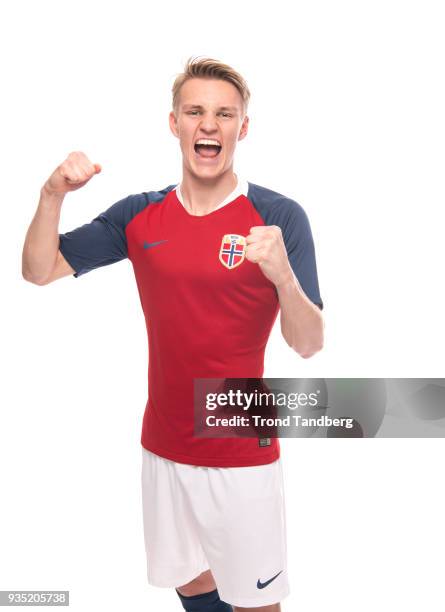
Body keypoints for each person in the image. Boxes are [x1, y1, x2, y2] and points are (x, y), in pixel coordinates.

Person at [22, 56, 324, 612]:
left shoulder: (278, 217)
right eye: (195, 111)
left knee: (255, 601)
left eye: (224, 114)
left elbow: (308, 341)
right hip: (162, 442)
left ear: (242, 127)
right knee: (189, 580)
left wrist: (281, 273)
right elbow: (39, 269)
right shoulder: (140, 216)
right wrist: (51, 194)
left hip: (239, 448)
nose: (208, 123)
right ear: (175, 123)